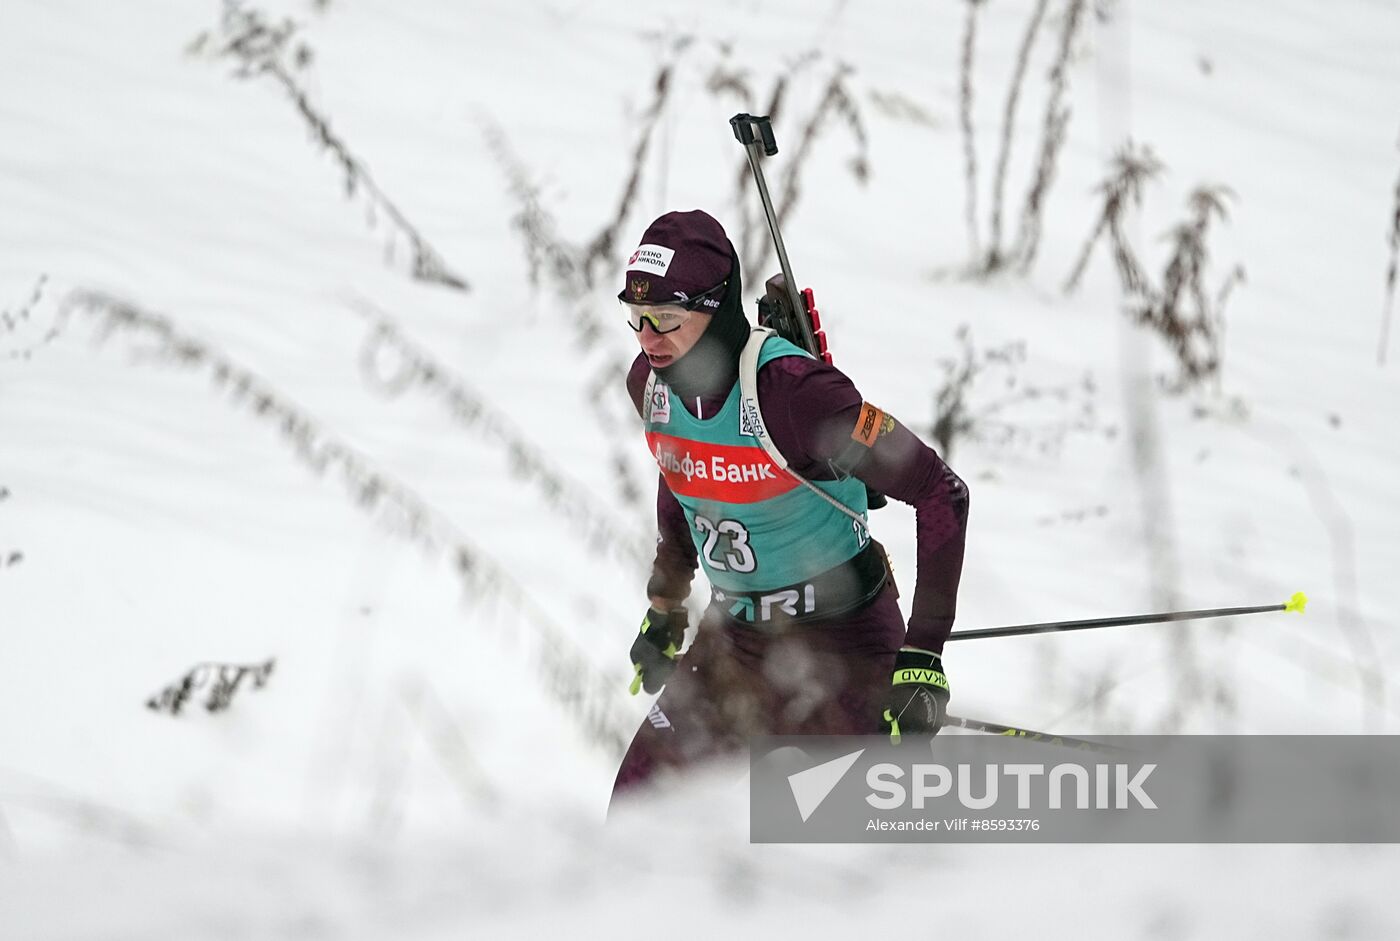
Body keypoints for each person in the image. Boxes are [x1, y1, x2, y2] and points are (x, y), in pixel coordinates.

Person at [611, 209, 969, 802]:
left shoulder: (795, 394)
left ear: (715, 309)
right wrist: (666, 600)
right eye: (636, 317)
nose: (649, 338)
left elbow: (940, 491)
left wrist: (923, 653)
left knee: (843, 839)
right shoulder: (649, 386)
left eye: (667, 318)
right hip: (736, 641)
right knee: (635, 813)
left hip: (844, 638)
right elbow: (683, 474)